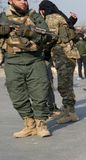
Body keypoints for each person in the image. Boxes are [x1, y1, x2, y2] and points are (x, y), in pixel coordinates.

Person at [0, 0, 51, 137]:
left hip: (34, 60)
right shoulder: (3, 16)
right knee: (17, 95)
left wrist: (29, 33)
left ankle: (41, 124)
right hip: (12, 61)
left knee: (40, 93)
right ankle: (29, 124)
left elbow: (46, 35)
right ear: (10, 1)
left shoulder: (34, 16)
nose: (23, 1)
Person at [39, 0, 80, 124]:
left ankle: (70, 113)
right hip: (67, 54)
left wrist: (41, 49)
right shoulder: (60, 16)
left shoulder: (51, 18)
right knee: (65, 84)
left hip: (64, 55)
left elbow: (50, 36)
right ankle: (67, 110)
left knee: (64, 85)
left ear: (42, 10)